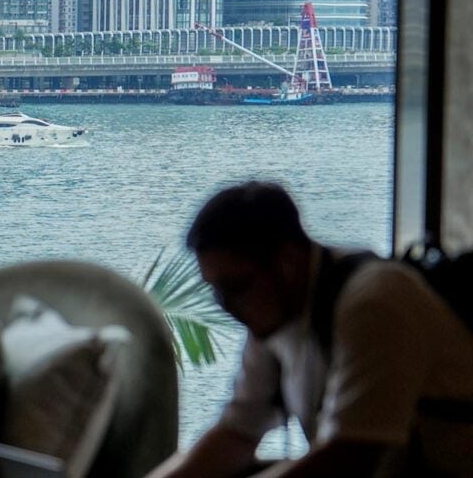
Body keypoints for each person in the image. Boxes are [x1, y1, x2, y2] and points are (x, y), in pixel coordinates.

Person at [147, 182, 473, 478]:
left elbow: (350, 457)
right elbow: (237, 433)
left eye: (234, 287)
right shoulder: (273, 312)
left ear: (287, 262)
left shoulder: (375, 302)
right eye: (215, 291)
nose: (225, 306)